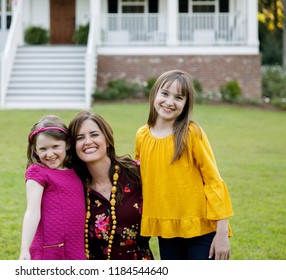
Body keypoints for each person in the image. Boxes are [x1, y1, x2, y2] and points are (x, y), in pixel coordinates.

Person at [135, 69, 234, 260]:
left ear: (185, 104)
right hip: (168, 231)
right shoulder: (142, 136)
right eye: (165, 93)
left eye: (178, 97)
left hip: (202, 229)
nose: (170, 102)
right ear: (154, 94)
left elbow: (213, 181)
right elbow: (141, 179)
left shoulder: (191, 133)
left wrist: (221, 233)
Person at [68, 111, 153, 260]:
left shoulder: (136, 173)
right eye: (80, 138)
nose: (88, 142)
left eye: (94, 134)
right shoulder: (73, 187)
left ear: (107, 140)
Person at [19, 115, 86, 260]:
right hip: (50, 248)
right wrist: (25, 249)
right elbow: (32, 211)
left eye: (55, 146)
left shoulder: (75, 170)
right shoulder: (37, 172)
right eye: (43, 149)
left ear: (67, 144)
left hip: (75, 246)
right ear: (35, 150)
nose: (50, 154)